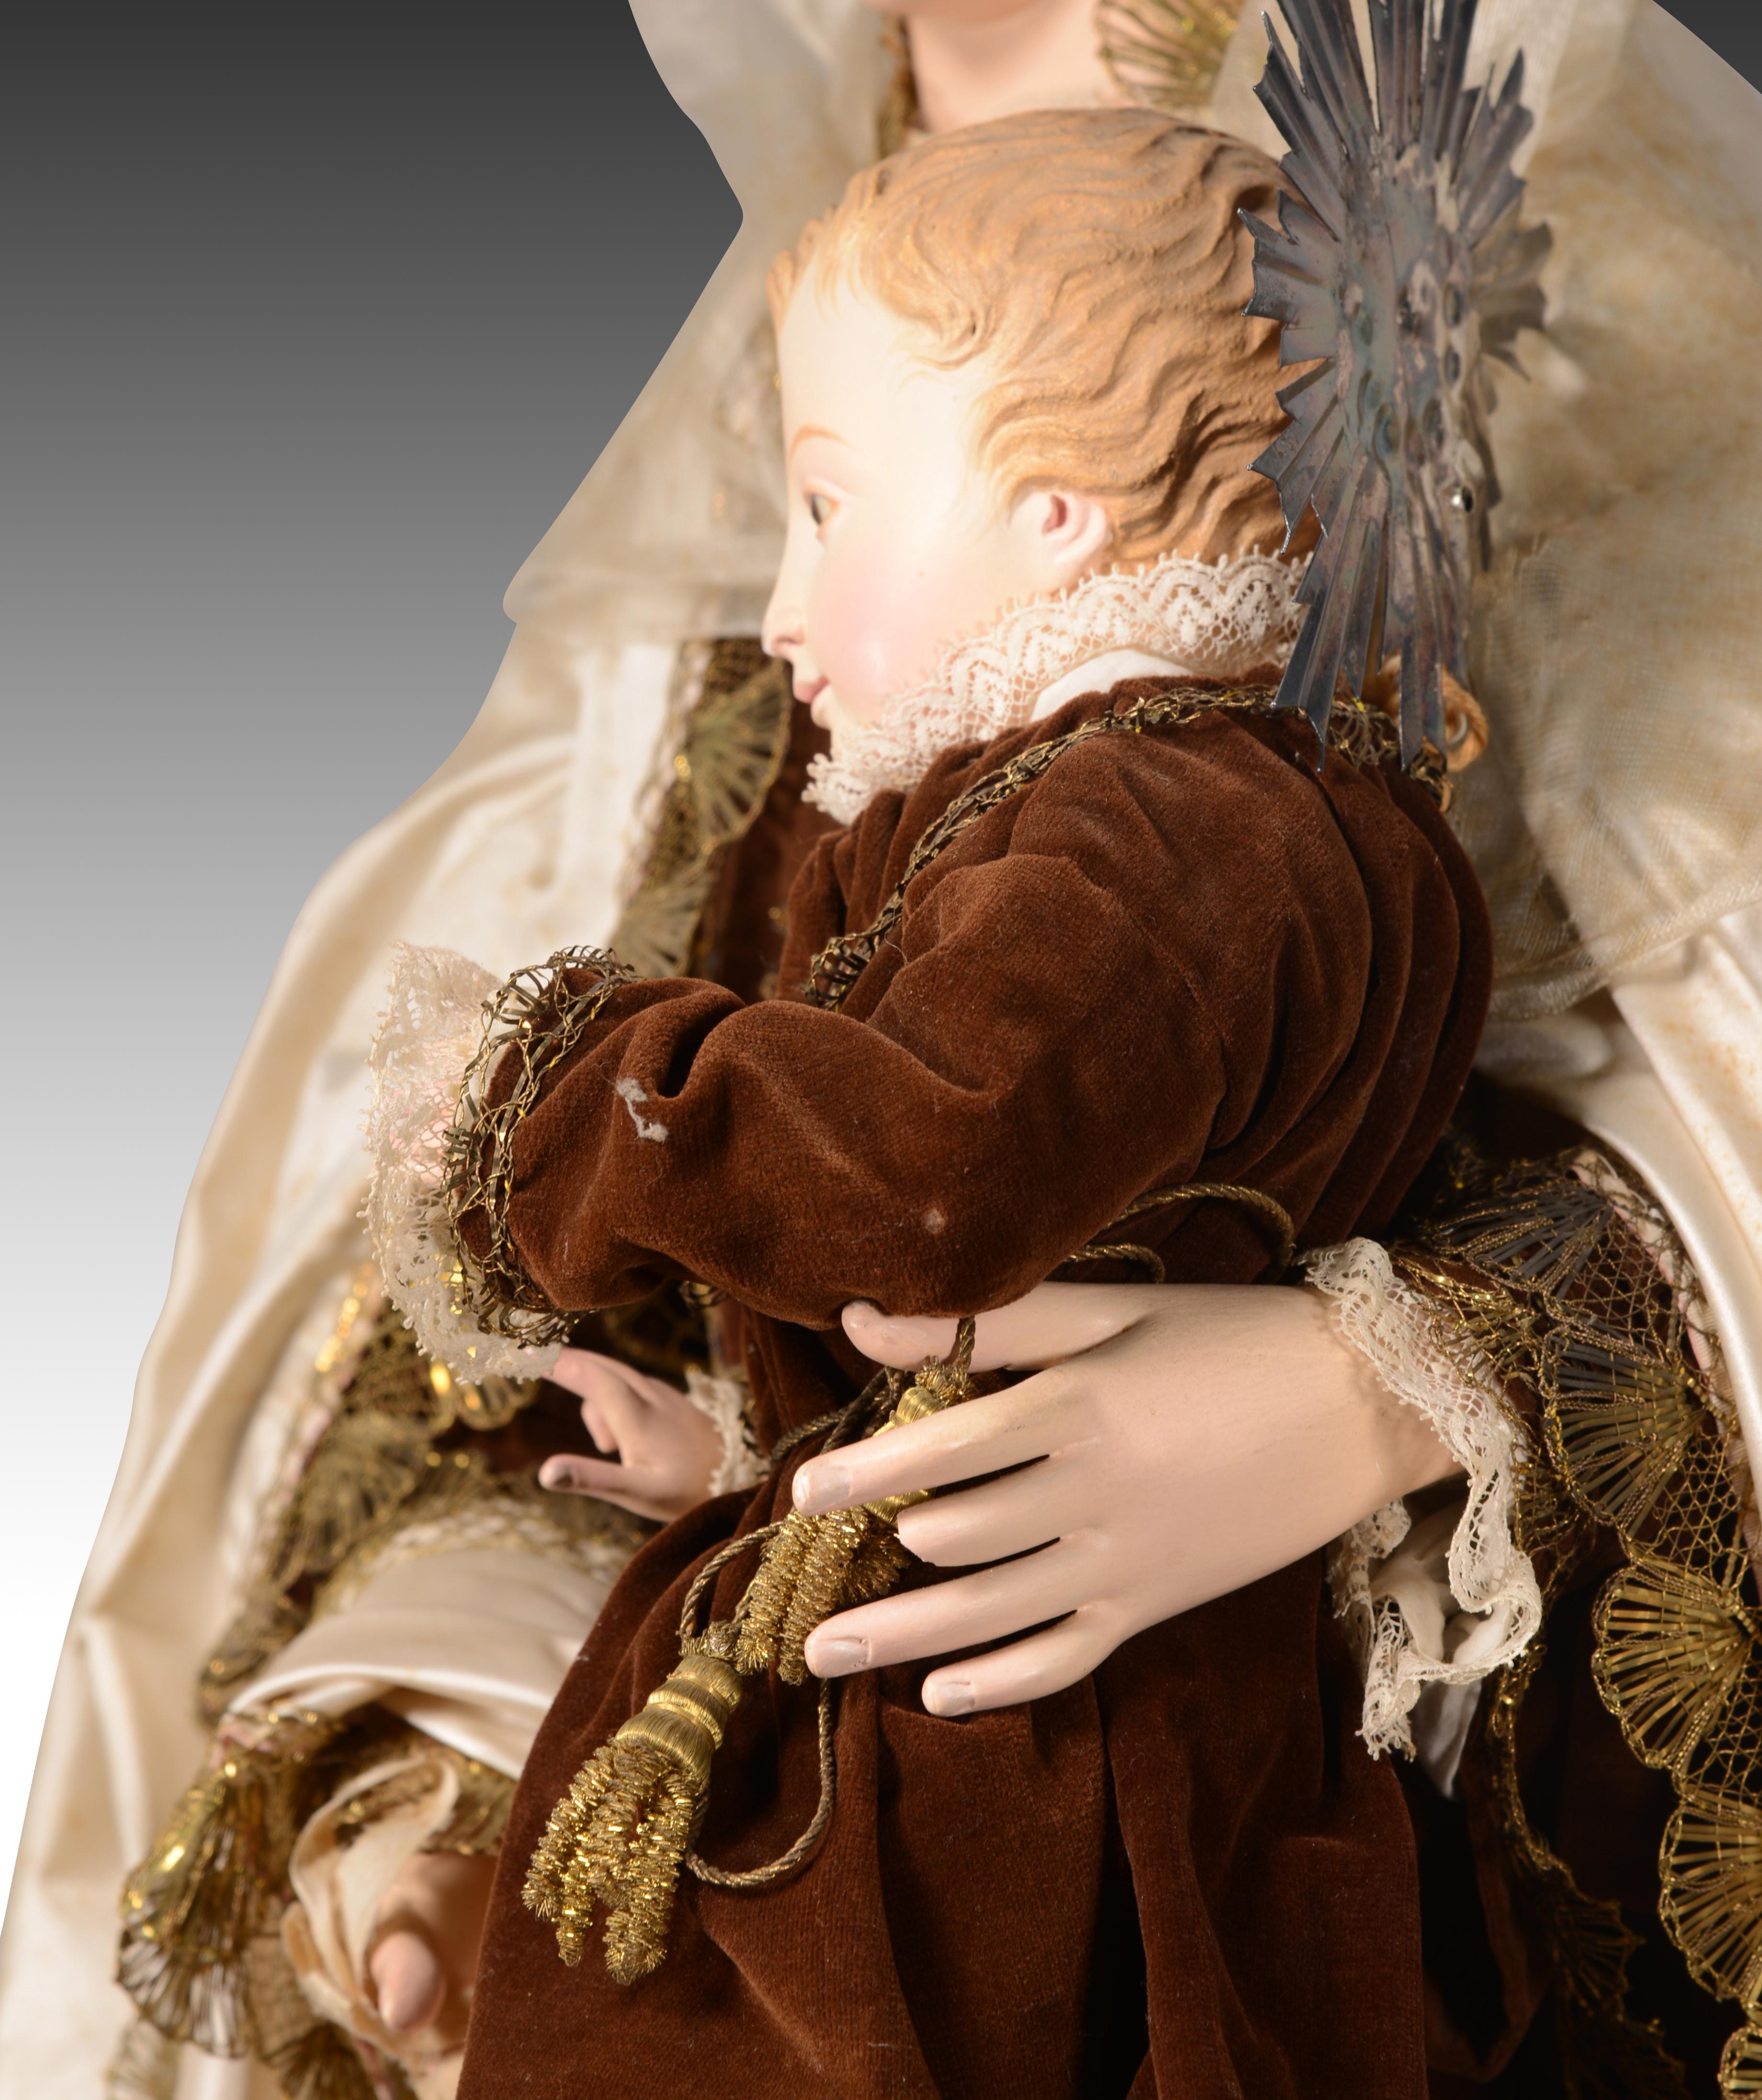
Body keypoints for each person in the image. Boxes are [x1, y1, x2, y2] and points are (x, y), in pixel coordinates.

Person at [7, 0, 1760, 2090]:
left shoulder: (1566, 300)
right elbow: (556, 1276)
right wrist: (462, 1741)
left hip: (1324, 1814)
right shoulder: (811, 382)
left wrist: (1382, 1390)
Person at [366, 102, 1491, 2096]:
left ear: (1057, 508)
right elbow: (1003, 1273)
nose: (779, 608)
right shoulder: (1157, 805)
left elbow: (933, 1178)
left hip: (999, 1770)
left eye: (826, 505)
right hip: (1011, 1672)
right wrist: (761, 1447)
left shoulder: (1168, 824)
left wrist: (566, 1099)